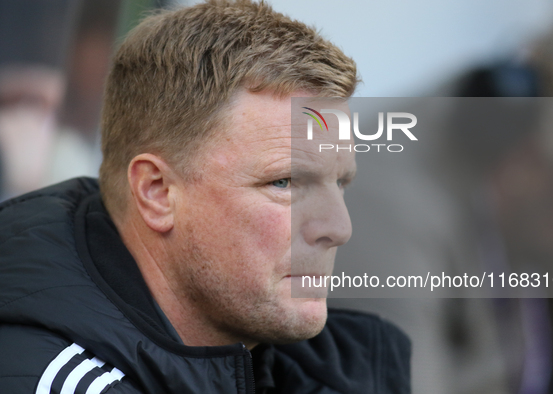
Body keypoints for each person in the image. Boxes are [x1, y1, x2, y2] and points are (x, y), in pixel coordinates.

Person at [0, 1, 410, 393]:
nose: (339, 229)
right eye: (284, 183)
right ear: (157, 192)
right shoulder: (54, 377)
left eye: (340, 183)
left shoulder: (330, 368)